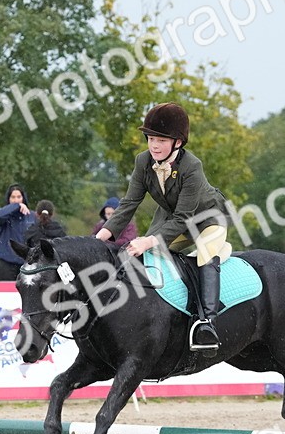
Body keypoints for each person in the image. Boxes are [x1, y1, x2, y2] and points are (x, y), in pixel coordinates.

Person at [95, 103, 230, 355]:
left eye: (161, 140)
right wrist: (100, 237)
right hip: (174, 218)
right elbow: (129, 203)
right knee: (149, 255)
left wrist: (147, 240)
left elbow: (183, 218)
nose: (154, 145)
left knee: (203, 254)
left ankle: (206, 323)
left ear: (178, 142)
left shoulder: (192, 167)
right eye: (151, 139)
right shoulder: (143, 161)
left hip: (208, 220)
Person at [0, 183, 35, 280]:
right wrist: (17, 206)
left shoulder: (31, 216)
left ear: (23, 198)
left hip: (26, 264)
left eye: (19, 197)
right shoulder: (4, 216)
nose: (16, 200)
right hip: (6, 263)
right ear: (8, 199)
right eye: (13, 197)